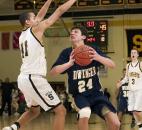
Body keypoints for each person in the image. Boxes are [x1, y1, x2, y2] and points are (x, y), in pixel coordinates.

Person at [2, 0, 77, 130]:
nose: (37, 19)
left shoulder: (22, 35)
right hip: (34, 78)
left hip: (24, 78)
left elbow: (40, 16)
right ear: (28, 22)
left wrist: (48, 1)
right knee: (61, 111)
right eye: (33, 18)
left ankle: (13, 128)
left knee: (34, 111)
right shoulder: (35, 29)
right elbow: (59, 11)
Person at [50, 26, 120, 130]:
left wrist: (98, 57)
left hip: (96, 94)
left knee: (115, 123)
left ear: (83, 36)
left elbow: (112, 65)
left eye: (75, 32)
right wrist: (69, 64)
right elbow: (52, 72)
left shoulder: (93, 50)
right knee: (85, 112)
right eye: (71, 32)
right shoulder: (66, 53)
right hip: (79, 95)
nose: (72, 33)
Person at [117, 48, 142, 130]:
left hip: (139, 91)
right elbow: (126, 78)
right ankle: (140, 126)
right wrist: (120, 83)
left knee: (137, 110)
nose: (133, 54)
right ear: (130, 55)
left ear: (138, 55)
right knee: (133, 110)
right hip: (131, 91)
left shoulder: (140, 64)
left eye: (135, 53)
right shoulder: (128, 65)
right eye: (131, 53)